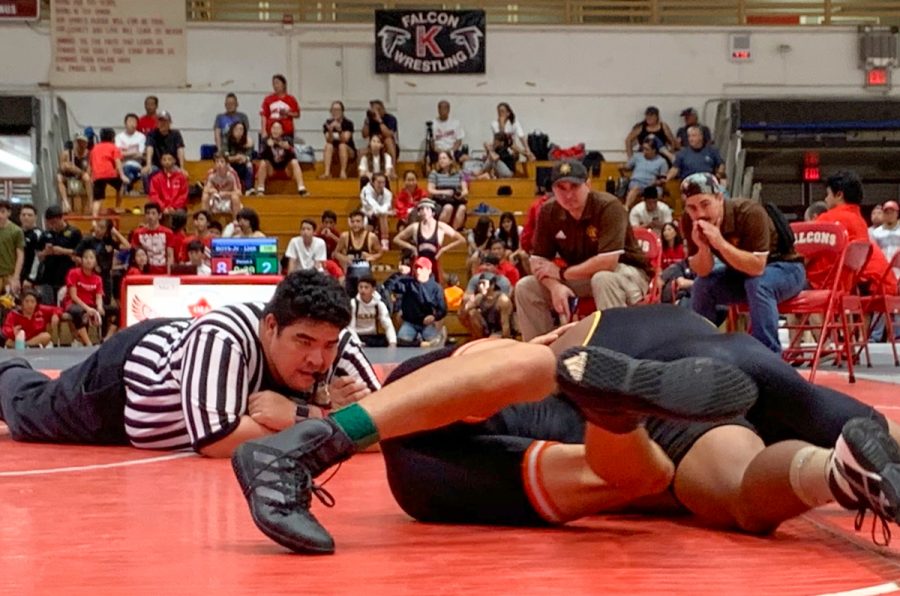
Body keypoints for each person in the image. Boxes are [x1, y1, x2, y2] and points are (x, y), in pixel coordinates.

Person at [229, 304, 900, 555]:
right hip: (701, 380)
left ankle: (308, 446)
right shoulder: (704, 351)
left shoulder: (570, 339)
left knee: (534, 370)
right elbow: (827, 411)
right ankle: (834, 473)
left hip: (516, 425)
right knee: (718, 487)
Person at [0, 270, 380, 455]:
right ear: (270, 326)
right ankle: (7, 372)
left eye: (328, 345)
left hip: (188, 371)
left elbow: (392, 421)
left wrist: (297, 415)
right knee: (30, 410)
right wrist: (318, 417)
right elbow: (216, 440)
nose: (318, 358)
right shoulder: (223, 337)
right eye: (304, 341)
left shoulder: (339, 342)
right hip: (126, 383)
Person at [515, 160, 651, 341]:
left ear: (588, 184)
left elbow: (608, 263)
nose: (568, 194)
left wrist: (562, 274)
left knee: (602, 278)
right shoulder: (548, 211)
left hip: (626, 274)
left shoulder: (609, 206)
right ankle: (541, 355)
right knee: (525, 287)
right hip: (579, 276)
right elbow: (538, 261)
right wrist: (555, 286)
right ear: (553, 190)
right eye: (561, 188)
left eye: (574, 186)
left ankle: (618, 349)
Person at [680, 172, 806, 353]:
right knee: (702, 285)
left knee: (757, 283)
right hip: (742, 274)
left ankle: (768, 355)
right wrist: (703, 248)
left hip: (785, 268)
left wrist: (720, 243)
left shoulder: (749, 212)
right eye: (691, 208)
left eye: (705, 205)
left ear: (719, 198)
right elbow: (703, 271)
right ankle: (701, 351)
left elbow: (757, 267)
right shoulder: (689, 221)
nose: (699, 214)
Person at [393, 198, 465, 281]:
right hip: (419, 264)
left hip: (434, 264)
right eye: (422, 209)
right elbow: (396, 239)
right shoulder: (415, 227)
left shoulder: (441, 226)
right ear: (419, 213)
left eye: (427, 209)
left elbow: (461, 239)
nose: (424, 211)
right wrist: (411, 247)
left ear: (433, 212)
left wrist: (443, 249)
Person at [393, 256, 447, 347]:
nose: (418, 271)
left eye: (421, 268)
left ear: (429, 270)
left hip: (427, 324)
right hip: (410, 323)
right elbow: (393, 286)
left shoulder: (436, 288)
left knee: (436, 344)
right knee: (402, 341)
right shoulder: (407, 283)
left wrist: (434, 317)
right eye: (416, 268)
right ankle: (421, 343)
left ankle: (424, 341)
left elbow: (443, 309)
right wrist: (399, 274)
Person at [35, 205, 82, 307]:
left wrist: (62, 251)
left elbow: (80, 254)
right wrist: (45, 252)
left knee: (64, 307)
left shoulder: (74, 232)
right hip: (48, 277)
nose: (52, 226)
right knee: (47, 306)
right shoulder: (45, 234)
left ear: (61, 218)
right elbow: (39, 255)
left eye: (54, 222)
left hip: (66, 276)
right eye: (49, 223)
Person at [62, 247, 106, 346]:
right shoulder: (74, 273)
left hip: (90, 305)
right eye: (85, 257)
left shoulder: (98, 278)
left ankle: (105, 340)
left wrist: (99, 307)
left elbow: (99, 296)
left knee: (114, 311)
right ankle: (88, 343)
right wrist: (87, 309)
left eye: (91, 258)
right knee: (80, 312)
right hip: (73, 304)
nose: (88, 260)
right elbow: (73, 296)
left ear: (95, 261)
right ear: (81, 260)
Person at [333, 210, 383, 296]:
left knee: (363, 277)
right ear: (349, 223)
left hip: (365, 270)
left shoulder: (371, 237)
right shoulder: (345, 236)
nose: (355, 224)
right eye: (353, 222)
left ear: (364, 222)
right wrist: (345, 259)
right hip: (351, 270)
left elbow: (380, 252)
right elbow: (336, 253)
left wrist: (371, 257)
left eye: (358, 221)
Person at [255, 121, 308, 196]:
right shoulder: (265, 140)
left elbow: (294, 156)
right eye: (273, 128)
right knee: (263, 162)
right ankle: (260, 189)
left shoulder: (288, 140)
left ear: (282, 131)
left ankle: (301, 188)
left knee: (294, 162)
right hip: (271, 169)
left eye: (278, 128)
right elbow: (259, 157)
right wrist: (267, 147)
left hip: (286, 169)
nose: (275, 131)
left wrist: (288, 148)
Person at [349, 275, 397, 348]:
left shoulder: (379, 304)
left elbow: (388, 325)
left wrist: (392, 342)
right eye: (360, 287)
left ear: (373, 289)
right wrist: (358, 343)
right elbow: (350, 328)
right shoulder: (353, 304)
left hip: (373, 337)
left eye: (366, 287)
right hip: (357, 336)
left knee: (399, 341)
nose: (363, 290)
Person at [622, 135, 668, 210]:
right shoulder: (637, 157)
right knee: (635, 189)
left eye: (647, 149)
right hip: (637, 182)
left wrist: (656, 182)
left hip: (652, 184)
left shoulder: (662, 161)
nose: (644, 151)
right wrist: (623, 167)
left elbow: (663, 179)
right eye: (643, 149)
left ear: (654, 150)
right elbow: (627, 167)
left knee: (657, 192)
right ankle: (626, 208)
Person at [428, 150, 469, 230]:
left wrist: (461, 195)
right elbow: (430, 190)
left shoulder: (460, 173)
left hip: (455, 199)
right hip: (440, 200)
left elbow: (465, 190)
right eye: (440, 159)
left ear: (450, 160)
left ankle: (454, 232)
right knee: (448, 207)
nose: (441, 160)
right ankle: (440, 231)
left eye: (444, 158)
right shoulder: (434, 173)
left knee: (462, 208)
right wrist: (445, 192)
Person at [130, 202, 175, 275]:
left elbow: (170, 256)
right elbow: (134, 255)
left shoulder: (168, 233)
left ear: (159, 215)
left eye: (153, 213)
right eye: (148, 213)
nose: (150, 216)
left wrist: (169, 274)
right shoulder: (137, 233)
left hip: (162, 272)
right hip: (144, 273)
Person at [143, 110, 186, 183]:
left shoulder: (176, 134)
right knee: (146, 173)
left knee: (182, 174)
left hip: (172, 165)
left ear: (170, 122)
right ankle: (150, 193)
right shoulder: (152, 134)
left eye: (165, 121)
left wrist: (182, 167)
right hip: (157, 165)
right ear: (157, 123)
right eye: (160, 121)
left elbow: (180, 149)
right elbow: (149, 148)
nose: (163, 123)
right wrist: (148, 164)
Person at [56, 133, 91, 214]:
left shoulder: (88, 154)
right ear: (75, 143)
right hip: (67, 175)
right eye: (79, 142)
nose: (81, 145)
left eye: (83, 143)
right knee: (59, 178)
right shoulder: (66, 154)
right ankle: (65, 202)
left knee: (87, 178)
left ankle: (90, 202)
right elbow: (61, 168)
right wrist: (67, 167)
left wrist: (76, 170)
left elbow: (89, 170)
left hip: (80, 175)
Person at [320, 100, 355, 179]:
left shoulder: (348, 123)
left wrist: (339, 130)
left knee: (342, 146)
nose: (336, 112)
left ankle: (343, 172)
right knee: (328, 146)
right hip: (334, 150)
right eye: (334, 110)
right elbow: (329, 140)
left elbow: (345, 140)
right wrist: (330, 130)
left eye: (338, 110)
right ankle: (327, 172)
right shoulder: (327, 123)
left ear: (342, 111)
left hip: (348, 150)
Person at [260, 74, 300, 143]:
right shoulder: (268, 99)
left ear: (284, 85)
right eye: (274, 84)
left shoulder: (291, 99)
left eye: (277, 83)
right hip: (271, 132)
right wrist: (264, 131)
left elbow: (297, 114)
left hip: (286, 132)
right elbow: (264, 115)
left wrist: (288, 113)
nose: (276, 86)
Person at [201, 153, 243, 217]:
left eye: (222, 162)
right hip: (216, 200)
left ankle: (236, 222)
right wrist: (211, 190)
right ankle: (205, 221)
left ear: (227, 164)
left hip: (228, 201)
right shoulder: (211, 174)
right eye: (217, 162)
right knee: (205, 196)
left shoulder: (232, 174)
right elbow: (205, 190)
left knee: (235, 197)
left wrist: (227, 193)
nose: (219, 164)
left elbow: (239, 192)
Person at [359, 173, 394, 250]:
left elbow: (386, 206)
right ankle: (366, 244)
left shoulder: (388, 193)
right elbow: (372, 205)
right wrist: (384, 212)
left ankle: (385, 243)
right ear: (372, 182)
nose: (381, 185)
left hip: (380, 216)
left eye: (383, 182)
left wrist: (383, 212)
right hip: (366, 213)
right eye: (378, 182)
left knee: (383, 216)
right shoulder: (366, 190)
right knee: (368, 222)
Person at [429, 100, 467, 166]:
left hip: (452, 150)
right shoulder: (432, 124)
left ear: (449, 110)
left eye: (445, 108)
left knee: (466, 158)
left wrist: (451, 151)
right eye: (440, 108)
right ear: (438, 109)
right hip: (438, 150)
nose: (442, 110)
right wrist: (440, 151)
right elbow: (431, 143)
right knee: (427, 159)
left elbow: (459, 141)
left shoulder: (456, 123)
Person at [115, 113, 146, 194]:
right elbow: (118, 154)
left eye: (134, 122)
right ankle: (129, 189)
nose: (132, 124)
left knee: (129, 169)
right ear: (125, 123)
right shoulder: (119, 137)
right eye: (130, 121)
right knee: (128, 173)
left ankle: (126, 189)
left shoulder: (141, 137)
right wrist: (134, 152)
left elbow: (141, 154)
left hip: (136, 166)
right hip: (122, 166)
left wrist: (125, 153)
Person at [362, 100, 399, 165]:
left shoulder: (391, 118)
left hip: (388, 145)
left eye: (377, 109)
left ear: (382, 109)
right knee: (361, 152)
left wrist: (379, 121)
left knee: (388, 140)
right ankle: (362, 173)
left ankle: (392, 169)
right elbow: (364, 135)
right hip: (374, 145)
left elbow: (388, 134)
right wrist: (367, 122)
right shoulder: (370, 120)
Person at [0, 198, 24, 295]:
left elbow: (20, 255)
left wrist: (16, 277)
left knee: (9, 305)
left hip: (9, 275)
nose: (0, 215)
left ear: (9, 213)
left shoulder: (16, 231)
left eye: (2, 212)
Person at [223, 121, 255, 191]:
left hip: (242, 165)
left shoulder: (248, 141)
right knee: (225, 165)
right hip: (231, 164)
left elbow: (250, 156)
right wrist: (236, 158)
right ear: (232, 130)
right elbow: (225, 157)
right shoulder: (227, 140)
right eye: (236, 129)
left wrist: (245, 158)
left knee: (249, 165)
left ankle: (249, 189)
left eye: (241, 129)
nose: (239, 131)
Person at [17, 203, 42, 290]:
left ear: (35, 217)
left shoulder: (38, 234)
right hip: (15, 275)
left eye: (29, 215)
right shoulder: (16, 232)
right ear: (20, 216)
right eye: (23, 215)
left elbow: (38, 258)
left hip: (29, 278)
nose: (26, 217)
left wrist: (31, 278)